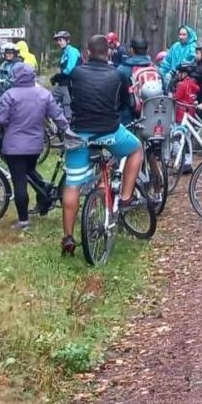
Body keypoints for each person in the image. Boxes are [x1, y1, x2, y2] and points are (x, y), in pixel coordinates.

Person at [60, 35, 143, 257]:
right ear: (108, 52)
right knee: (136, 150)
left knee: (72, 184)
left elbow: (73, 96)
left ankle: (68, 237)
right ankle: (125, 197)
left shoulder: (75, 73)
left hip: (80, 134)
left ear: (87, 52)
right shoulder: (118, 74)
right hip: (109, 132)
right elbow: (126, 104)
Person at [0, 62, 70, 231]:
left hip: (14, 146)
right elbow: (57, 115)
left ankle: (23, 220)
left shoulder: (9, 95)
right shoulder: (43, 94)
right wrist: (67, 131)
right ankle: (44, 196)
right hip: (35, 146)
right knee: (30, 171)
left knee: (19, 182)